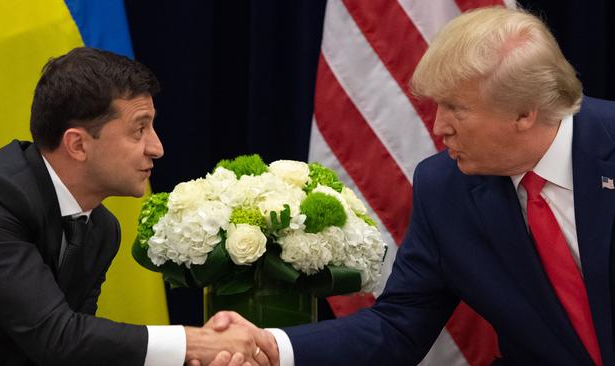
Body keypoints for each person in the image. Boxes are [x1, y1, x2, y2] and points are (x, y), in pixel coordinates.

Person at [208, 6, 615, 365]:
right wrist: (273, 347)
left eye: (457, 109)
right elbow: (398, 326)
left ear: (525, 113)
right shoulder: (444, 187)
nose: (439, 128)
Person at [0, 47, 276, 366]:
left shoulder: (101, 228)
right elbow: (56, 337)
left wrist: (196, 354)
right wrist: (193, 343)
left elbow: (77, 354)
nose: (157, 148)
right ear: (78, 144)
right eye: (139, 129)